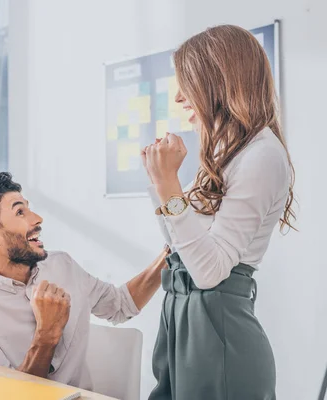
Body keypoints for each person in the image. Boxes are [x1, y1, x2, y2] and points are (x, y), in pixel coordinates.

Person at [141, 25, 296, 400]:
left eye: (188, 84)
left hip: (217, 332)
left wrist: (168, 186)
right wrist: (157, 182)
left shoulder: (261, 156)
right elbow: (179, 245)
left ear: (219, 82)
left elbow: (209, 272)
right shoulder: (227, 152)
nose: (179, 97)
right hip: (182, 322)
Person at [0, 172, 169, 390]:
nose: (37, 219)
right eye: (20, 212)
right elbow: (12, 396)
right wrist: (47, 334)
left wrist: (173, 252)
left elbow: (120, 305)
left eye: (29, 208)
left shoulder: (61, 265)